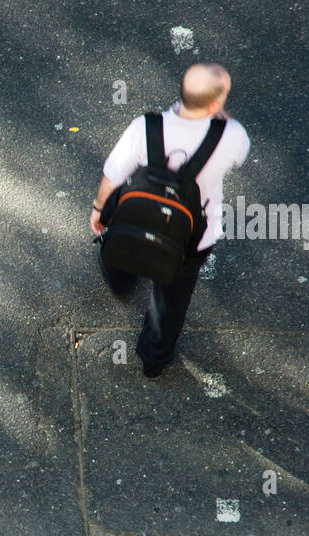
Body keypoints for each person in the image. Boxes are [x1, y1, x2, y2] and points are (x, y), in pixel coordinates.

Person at [89, 64, 251, 377]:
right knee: (170, 301)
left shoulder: (146, 127)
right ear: (215, 103)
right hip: (191, 236)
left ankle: (121, 283)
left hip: (136, 220)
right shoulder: (232, 135)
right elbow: (238, 157)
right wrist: (222, 119)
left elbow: (112, 177)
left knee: (121, 247)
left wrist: (99, 210)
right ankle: (153, 359)